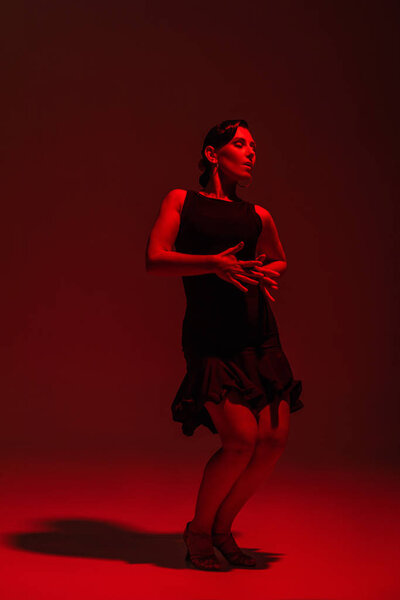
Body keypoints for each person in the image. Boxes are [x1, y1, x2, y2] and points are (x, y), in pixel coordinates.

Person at [145, 119, 303, 571]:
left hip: (259, 335)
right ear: (213, 154)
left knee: (272, 442)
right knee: (239, 441)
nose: (251, 152)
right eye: (240, 143)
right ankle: (199, 529)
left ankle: (222, 529)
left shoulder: (258, 216)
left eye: (254, 145)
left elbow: (279, 257)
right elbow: (155, 258)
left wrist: (270, 271)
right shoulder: (182, 201)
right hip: (211, 337)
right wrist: (211, 263)